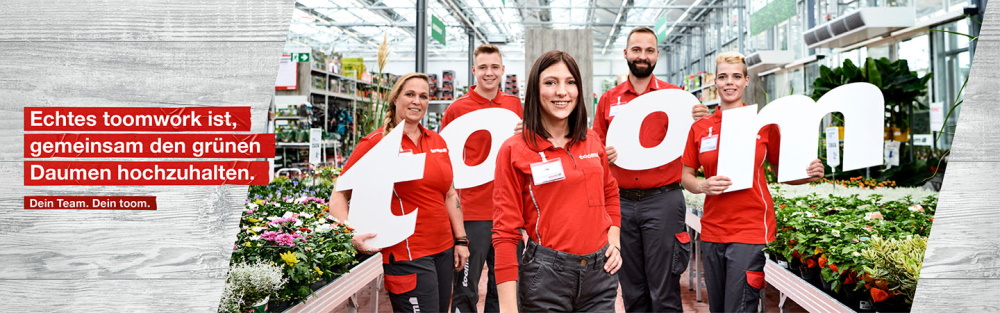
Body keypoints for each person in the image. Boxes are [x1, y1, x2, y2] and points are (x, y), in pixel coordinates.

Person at [680, 52, 824, 313]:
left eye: (736, 76)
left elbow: (783, 171)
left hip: (751, 228)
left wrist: (808, 173)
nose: (729, 82)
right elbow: (686, 176)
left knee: (740, 306)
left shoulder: (763, 125)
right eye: (723, 77)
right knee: (720, 308)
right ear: (715, 82)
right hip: (713, 229)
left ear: (746, 81)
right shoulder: (701, 127)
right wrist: (703, 186)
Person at [329, 73, 470, 313]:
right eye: (410, 94)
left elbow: (449, 194)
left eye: (423, 96)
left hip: (443, 250)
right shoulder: (375, 143)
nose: (417, 101)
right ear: (395, 99)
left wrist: (461, 240)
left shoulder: (437, 141)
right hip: (407, 254)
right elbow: (339, 194)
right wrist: (348, 234)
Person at [493, 50, 622, 312]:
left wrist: (615, 240)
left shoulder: (592, 139)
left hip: (600, 276)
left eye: (570, 82)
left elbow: (610, 192)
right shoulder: (514, 149)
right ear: (535, 90)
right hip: (546, 277)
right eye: (551, 82)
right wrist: (507, 308)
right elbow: (506, 232)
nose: (562, 91)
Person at [591, 26, 709, 313]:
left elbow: (696, 148)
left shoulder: (677, 99)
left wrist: (702, 123)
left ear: (657, 54)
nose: (642, 56)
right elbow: (594, 148)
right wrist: (602, 154)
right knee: (631, 289)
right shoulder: (609, 99)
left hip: (663, 200)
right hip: (620, 203)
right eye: (636, 49)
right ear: (626, 53)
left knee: (665, 290)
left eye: (648, 50)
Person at [442, 44, 523, 313]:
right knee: (466, 288)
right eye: (483, 67)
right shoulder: (457, 109)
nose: (489, 73)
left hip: (507, 211)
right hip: (472, 212)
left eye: (495, 67)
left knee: (505, 286)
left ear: (503, 70)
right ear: (474, 70)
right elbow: (445, 159)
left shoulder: (514, 106)